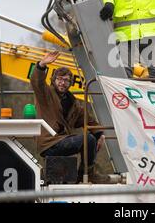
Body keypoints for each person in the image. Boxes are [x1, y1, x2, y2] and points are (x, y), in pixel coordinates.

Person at [30, 50, 110, 184]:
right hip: (49, 142)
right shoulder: (46, 94)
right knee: (88, 139)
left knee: (91, 138)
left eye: (66, 80)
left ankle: (84, 174)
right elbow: (36, 82)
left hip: (62, 141)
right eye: (59, 79)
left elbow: (86, 118)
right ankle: (87, 174)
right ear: (53, 80)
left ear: (70, 84)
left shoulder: (72, 103)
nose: (62, 83)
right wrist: (42, 64)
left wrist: (100, 134)